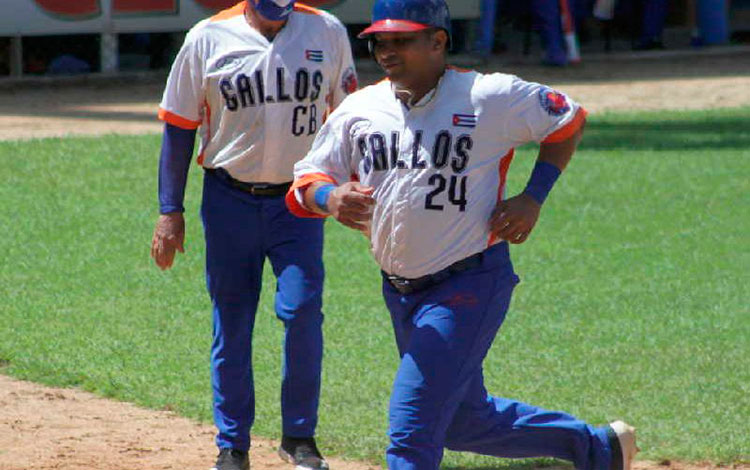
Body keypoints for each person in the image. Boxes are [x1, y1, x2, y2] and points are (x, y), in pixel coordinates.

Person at [285, 1, 639, 470]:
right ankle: (598, 449)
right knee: (462, 422)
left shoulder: (488, 96)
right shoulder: (361, 108)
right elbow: (305, 180)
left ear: (438, 41)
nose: (387, 52)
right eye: (379, 42)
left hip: (469, 284)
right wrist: (329, 198)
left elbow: (567, 120)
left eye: (402, 40)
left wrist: (533, 197)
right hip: (401, 292)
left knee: (411, 430)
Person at [150, 1, 357, 469]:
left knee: (302, 309)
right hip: (228, 200)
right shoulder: (207, 37)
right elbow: (179, 127)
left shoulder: (326, 31)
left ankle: (299, 437)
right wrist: (170, 211)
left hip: (300, 200)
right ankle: (232, 445)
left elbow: (348, 120)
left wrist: (352, 184)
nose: (276, 15)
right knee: (233, 318)